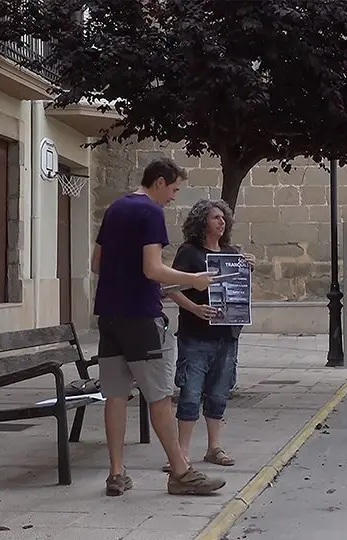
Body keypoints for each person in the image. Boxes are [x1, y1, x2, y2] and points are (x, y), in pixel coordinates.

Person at [91, 157, 226, 497]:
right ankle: (180, 472)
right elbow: (152, 268)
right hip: (140, 316)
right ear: (161, 181)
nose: (173, 198)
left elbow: (97, 263)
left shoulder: (115, 208)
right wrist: (193, 279)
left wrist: (134, 282)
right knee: (159, 397)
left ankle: (116, 474)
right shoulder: (150, 212)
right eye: (174, 190)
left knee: (116, 395)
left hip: (109, 314)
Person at [161, 199, 254, 472]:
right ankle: (182, 453)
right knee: (190, 392)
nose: (221, 222)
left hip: (227, 335)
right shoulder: (189, 253)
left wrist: (248, 268)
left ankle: (214, 448)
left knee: (219, 393)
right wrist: (195, 308)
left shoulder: (231, 252)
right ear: (202, 222)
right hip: (195, 335)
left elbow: (240, 289)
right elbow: (170, 287)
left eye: (223, 217)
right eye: (216, 217)